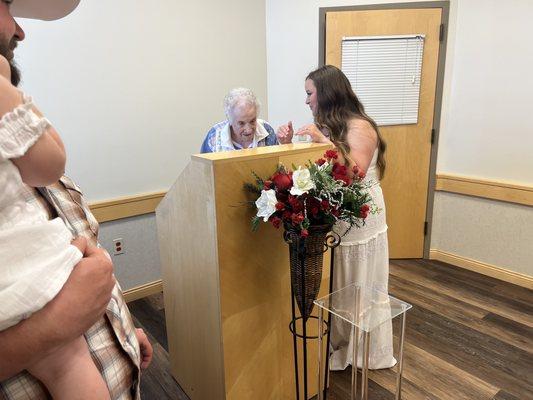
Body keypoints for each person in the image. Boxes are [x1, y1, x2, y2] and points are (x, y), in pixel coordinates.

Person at [0, 1, 152, 399]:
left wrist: (119, 331)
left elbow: (79, 263)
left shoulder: (28, 158)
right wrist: (49, 330)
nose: (20, 31)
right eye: (5, 6)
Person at [279, 65, 395, 370]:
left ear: (327, 93)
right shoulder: (330, 126)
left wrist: (321, 140)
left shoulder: (360, 126)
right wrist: (288, 143)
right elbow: (320, 169)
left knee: (358, 280)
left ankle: (361, 347)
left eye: (309, 93)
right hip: (338, 214)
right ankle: (338, 339)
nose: (306, 101)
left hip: (361, 214)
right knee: (339, 277)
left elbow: (354, 171)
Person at [200, 87, 292, 153]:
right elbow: (203, 172)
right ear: (230, 120)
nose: (248, 129)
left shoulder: (266, 131)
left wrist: (286, 144)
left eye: (252, 121)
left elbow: (278, 168)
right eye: (241, 123)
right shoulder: (214, 136)